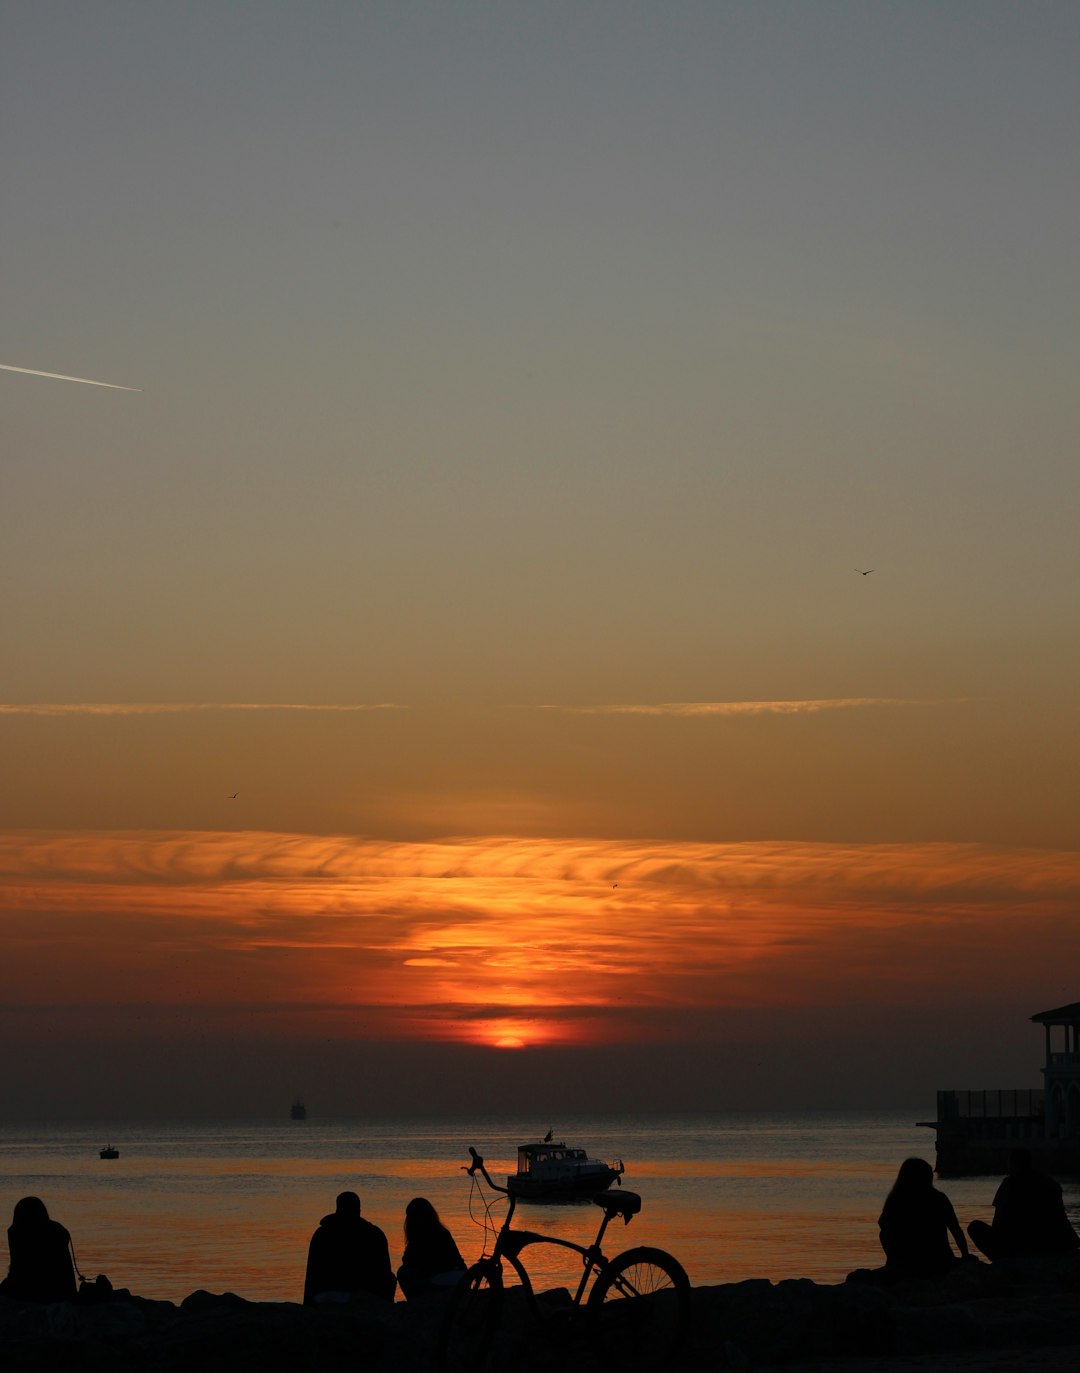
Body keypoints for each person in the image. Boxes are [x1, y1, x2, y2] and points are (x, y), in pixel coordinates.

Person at [967, 1148, 1080, 1261]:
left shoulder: (1009, 1184)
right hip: (1048, 1243)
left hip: (1018, 1247)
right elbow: (1061, 1218)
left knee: (974, 1227)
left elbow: (998, 1220)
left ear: (1012, 1163)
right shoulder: (1051, 1184)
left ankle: (1004, 1263)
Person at [878, 1157, 968, 1279]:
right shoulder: (939, 1198)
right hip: (940, 1260)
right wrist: (965, 1255)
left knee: (883, 1234)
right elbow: (955, 1229)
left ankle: (897, 1265)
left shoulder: (896, 1200)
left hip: (906, 1262)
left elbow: (883, 1224)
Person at [303, 1191, 395, 1305]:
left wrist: (308, 1305)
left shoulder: (321, 1234)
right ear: (359, 1211)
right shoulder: (375, 1234)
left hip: (326, 1296)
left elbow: (312, 1275)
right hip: (363, 1296)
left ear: (337, 1209)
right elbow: (384, 1273)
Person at [0, 1196, 78, 1303]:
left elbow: (18, 1270)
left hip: (38, 1294)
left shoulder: (17, 1232)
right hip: (64, 1292)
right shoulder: (57, 1230)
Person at [396, 1197, 466, 1300]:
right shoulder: (443, 1232)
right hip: (461, 1277)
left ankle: (417, 1303)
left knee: (403, 1273)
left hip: (444, 1279)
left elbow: (408, 1261)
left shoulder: (420, 1237)